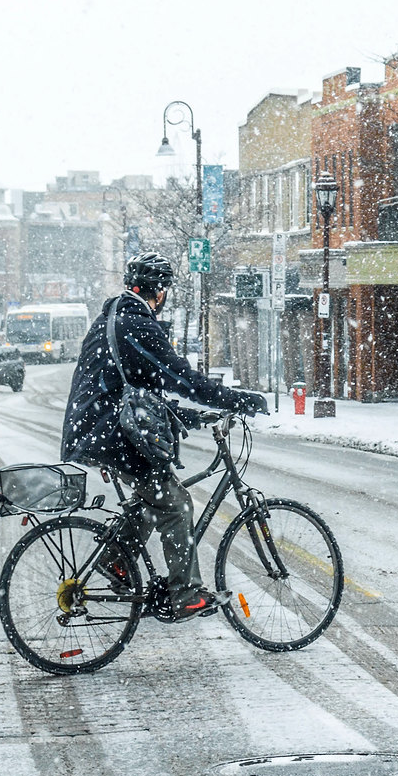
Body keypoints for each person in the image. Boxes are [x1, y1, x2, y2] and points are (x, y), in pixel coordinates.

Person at [61, 252, 267, 618]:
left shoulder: (115, 316)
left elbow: (141, 388)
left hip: (98, 428)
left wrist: (196, 414)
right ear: (161, 291)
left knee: (153, 497)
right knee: (176, 503)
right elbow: (178, 376)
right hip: (108, 431)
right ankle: (184, 593)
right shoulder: (134, 322)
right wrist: (235, 398)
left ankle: (116, 560)